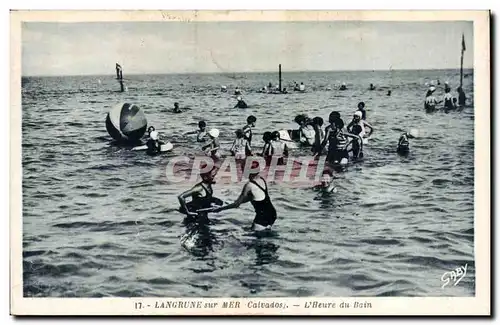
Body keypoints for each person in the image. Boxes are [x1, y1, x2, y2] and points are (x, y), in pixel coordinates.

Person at [203, 161, 277, 231]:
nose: (241, 171)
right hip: (272, 213)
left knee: (254, 241)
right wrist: (233, 202)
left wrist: (221, 209)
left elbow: (236, 205)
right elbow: (255, 198)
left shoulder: (249, 185)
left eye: (242, 169)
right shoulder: (261, 179)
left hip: (262, 216)